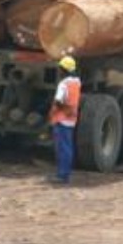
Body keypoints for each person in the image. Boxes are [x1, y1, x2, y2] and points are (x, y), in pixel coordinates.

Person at [48, 56, 81, 184]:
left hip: (61, 118)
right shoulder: (76, 83)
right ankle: (65, 174)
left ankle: (62, 175)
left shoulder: (63, 84)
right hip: (71, 118)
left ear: (63, 69)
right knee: (68, 147)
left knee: (62, 148)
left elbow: (59, 100)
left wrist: (54, 111)